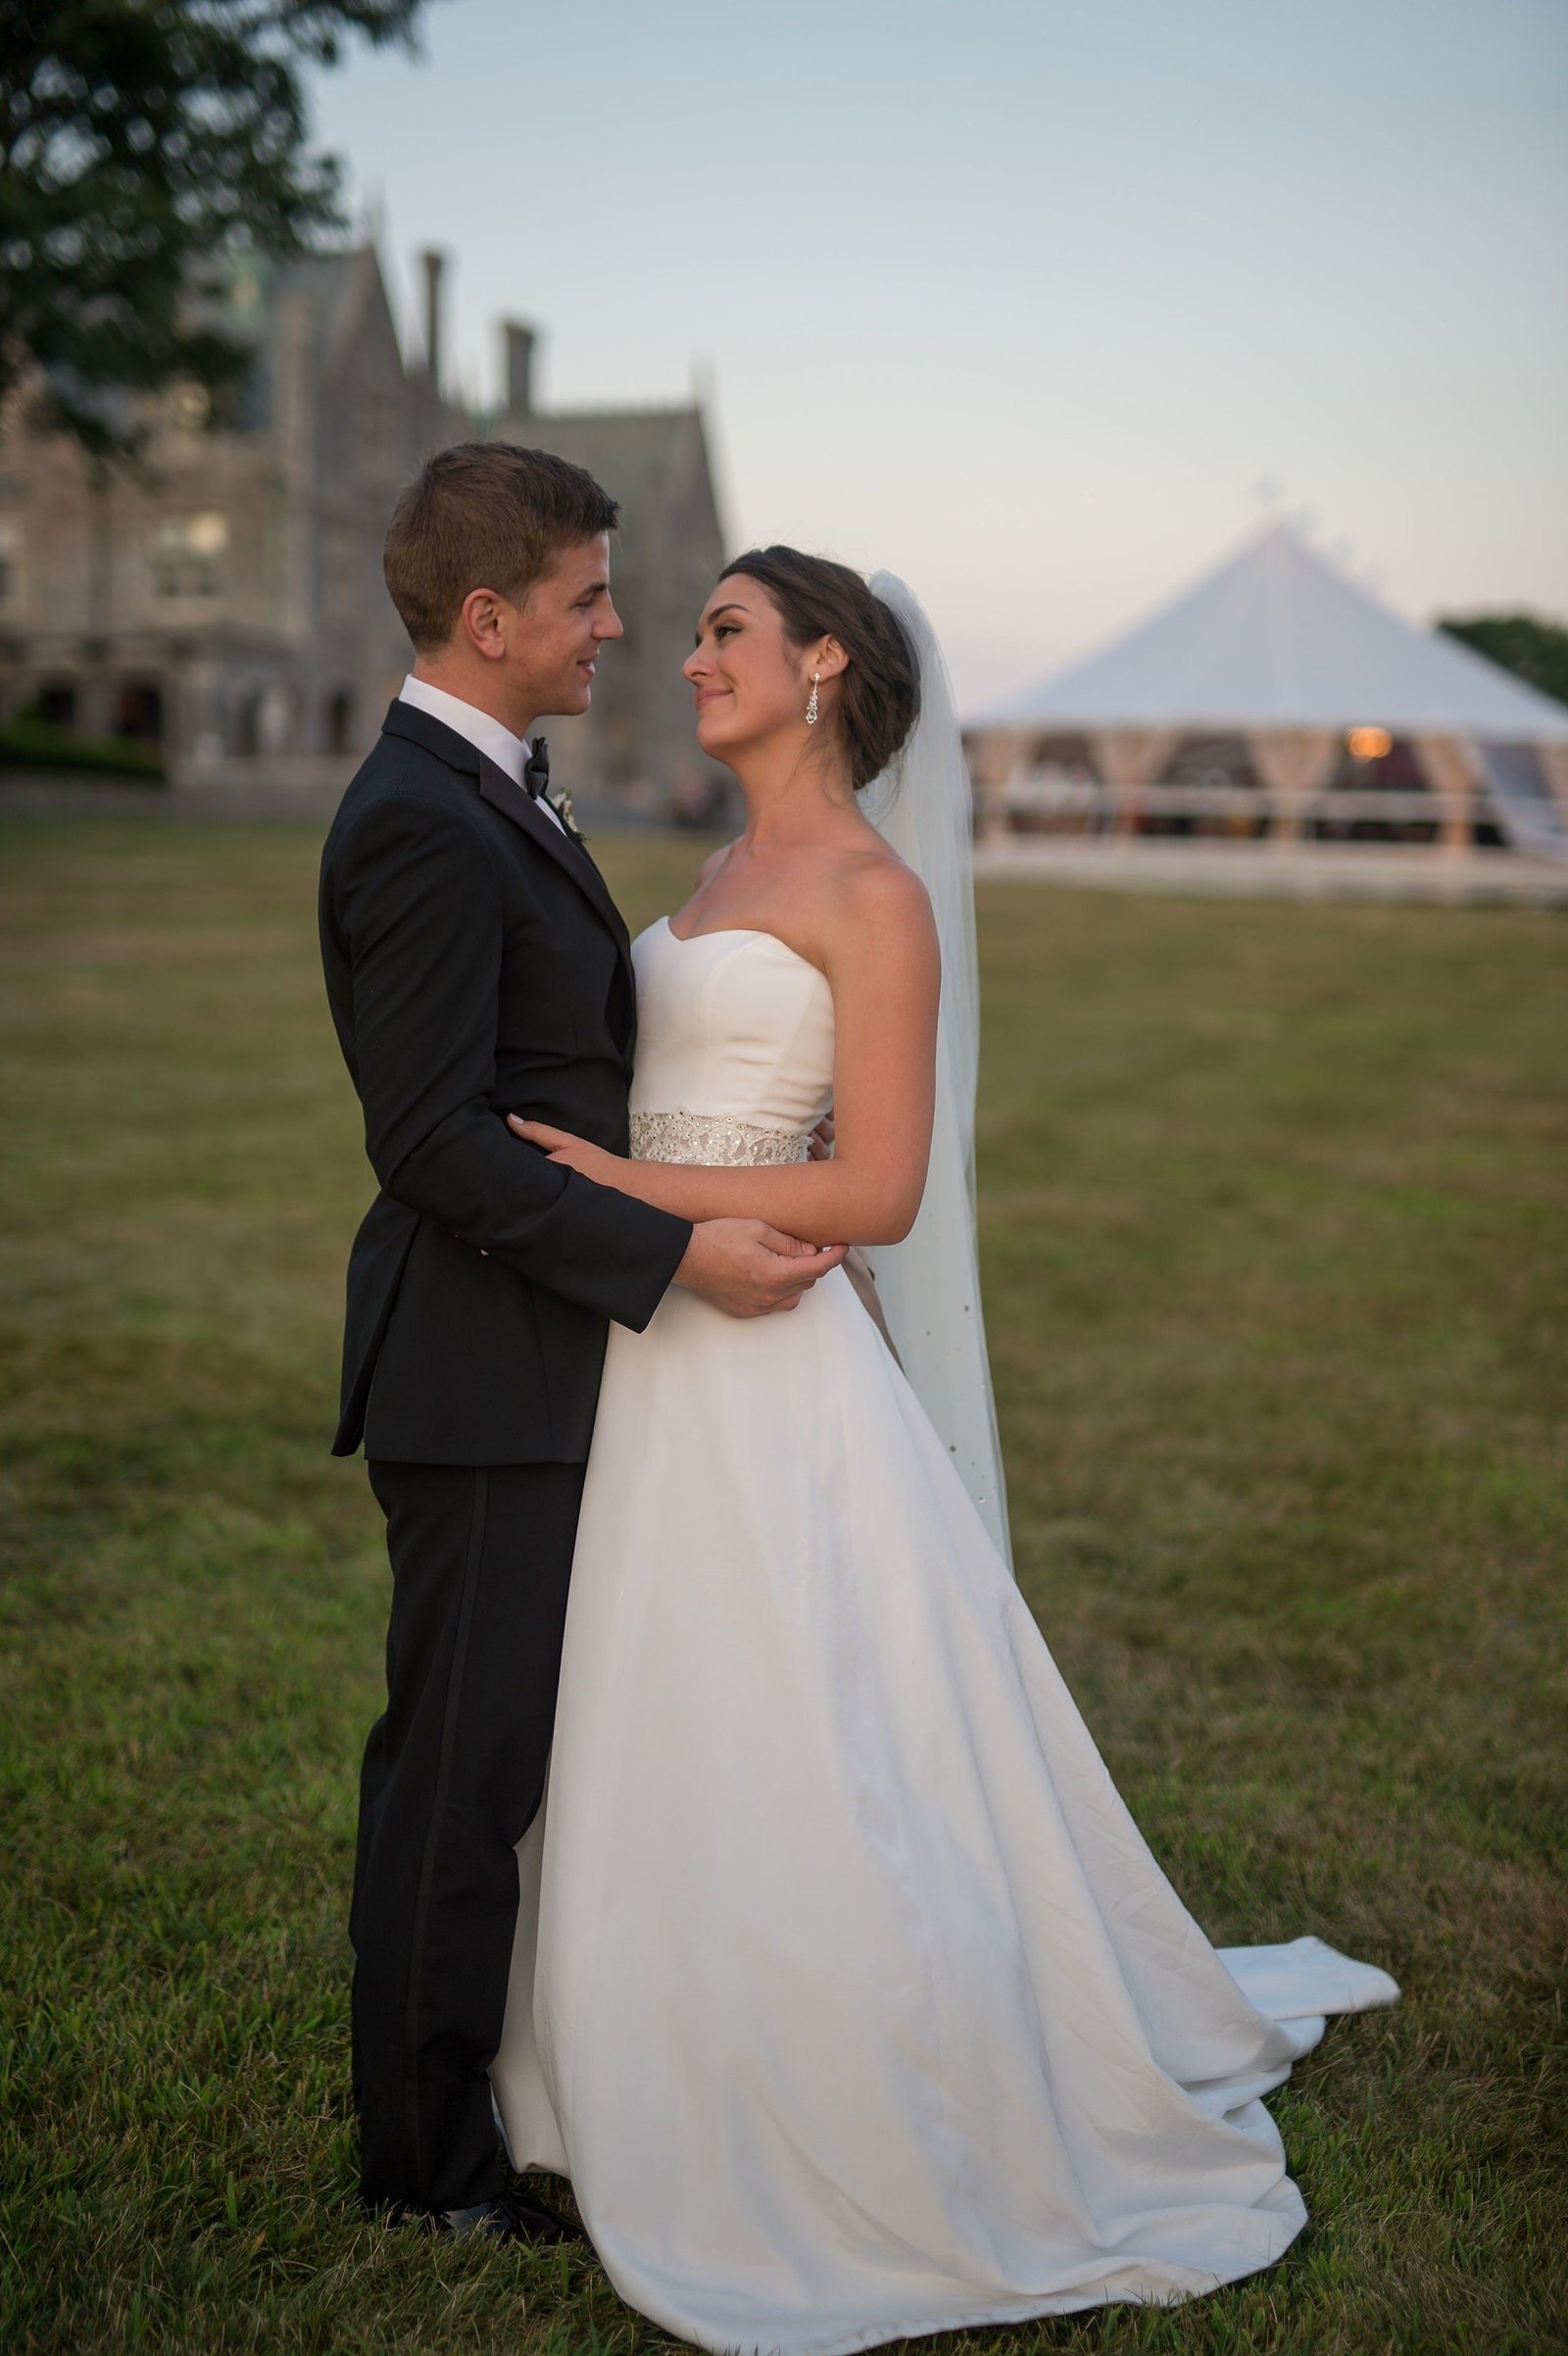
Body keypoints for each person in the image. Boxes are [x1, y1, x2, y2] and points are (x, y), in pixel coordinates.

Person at [488, 547, 1399, 2354]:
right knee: (652, 1699)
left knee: (804, 1720)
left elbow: (877, 1184)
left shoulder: (872, 895)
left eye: (725, 631)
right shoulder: (725, 867)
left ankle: (839, 2079)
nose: (686, 657)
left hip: (764, 1355)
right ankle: (636, 2054)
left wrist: (620, 1186)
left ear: (825, 661)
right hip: (657, 1347)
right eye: (686, 633)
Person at [317, 450, 845, 2242]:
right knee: (459, 1775)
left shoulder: (497, 792)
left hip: (545, 1353)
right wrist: (679, 1250)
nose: (619, 625)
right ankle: (427, 2170)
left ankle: (520, 2092)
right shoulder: (413, 816)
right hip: (476, 1363)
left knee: (516, 1761)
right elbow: (436, 1141)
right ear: (490, 619)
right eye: (588, 598)